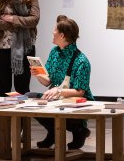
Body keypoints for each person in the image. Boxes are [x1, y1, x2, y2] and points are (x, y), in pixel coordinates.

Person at [0, 0, 40, 142]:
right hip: (1, 48)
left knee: (22, 89)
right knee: (3, 90)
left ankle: (20, 130)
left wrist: (12, 19)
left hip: (25, 48)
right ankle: (4, 130)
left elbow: (34, 19)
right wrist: (20, 22)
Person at [30, 15, 94, 150]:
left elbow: (80, 91)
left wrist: (58, 90)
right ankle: (53, 132)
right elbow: (48, 82)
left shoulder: (81, 60)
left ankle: (79, 130)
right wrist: (38, 74)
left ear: (62, 35)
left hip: (74, 102)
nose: (52, 32)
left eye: (55, 30)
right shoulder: (54, 52)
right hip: (56, 98)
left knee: (55, 107)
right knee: (30, 97)